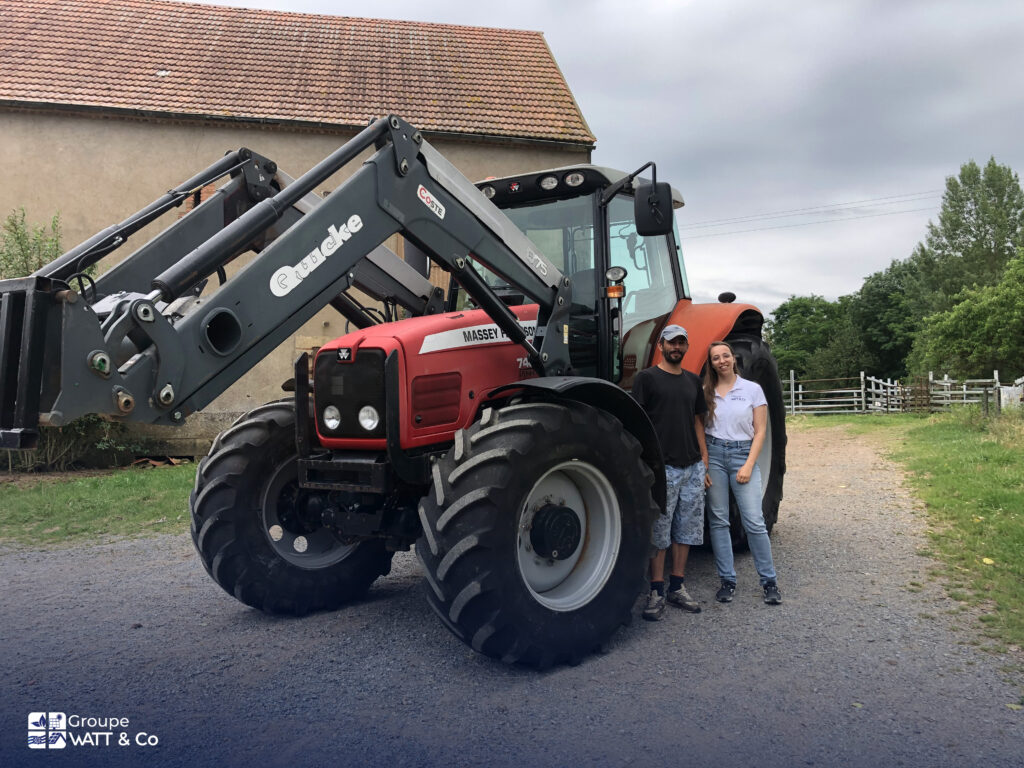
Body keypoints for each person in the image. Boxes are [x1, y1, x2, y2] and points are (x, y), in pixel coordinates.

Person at [631, 325, 709, 620]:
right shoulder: (647, 378)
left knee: (686, 529)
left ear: (686, 347)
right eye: (671, 342)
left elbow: (698, 422)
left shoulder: (692, 381)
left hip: (692, 466)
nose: (677, 347)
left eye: (681, 342)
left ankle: (678, 586)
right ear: (661, 345)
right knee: (660, 530)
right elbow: (638, 422)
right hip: (663, 467)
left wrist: (704, 459)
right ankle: (656, 590)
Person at [702, 341, 782, 605]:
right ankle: (727, 580)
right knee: (718, 521)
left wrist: (748, 464)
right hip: (714, 456)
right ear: (711, 363)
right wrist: (704, 463)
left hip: (741, 455)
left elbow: (760, 431)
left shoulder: (752, 389)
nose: (722, 360)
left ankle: (769, 581)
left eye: (726, 355)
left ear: (733, 359)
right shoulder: (706, 390)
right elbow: (699, 428)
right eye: (716, 358)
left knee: (754, 522)